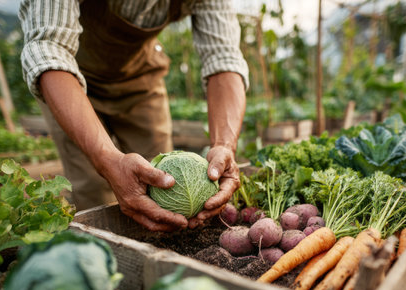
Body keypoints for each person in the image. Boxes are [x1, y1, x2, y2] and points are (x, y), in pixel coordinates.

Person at [18, 0, 249, 232]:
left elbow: (224, 57)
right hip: (69, 83)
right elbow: (48, 49)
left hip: (141, 81)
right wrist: (107, 160)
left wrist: (224, 145)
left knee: (159, 180)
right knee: (92, 188)